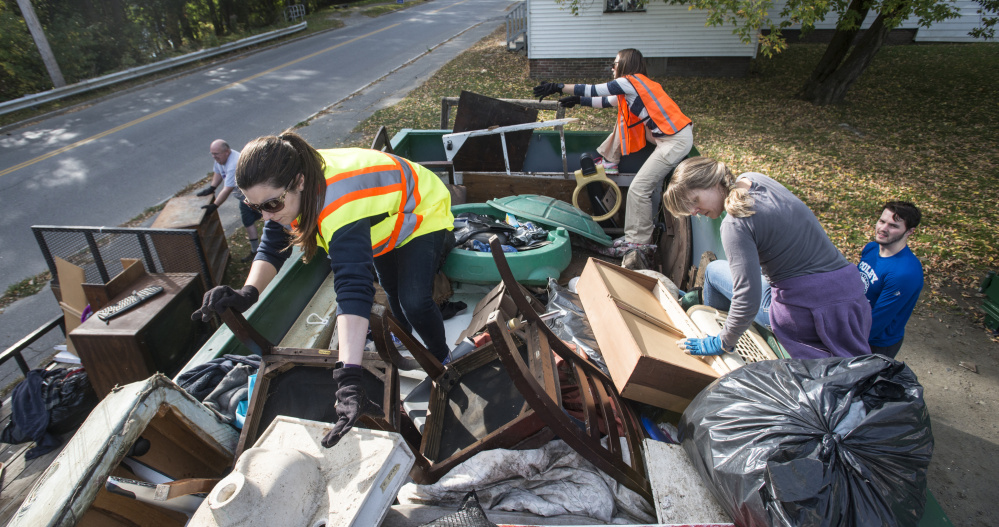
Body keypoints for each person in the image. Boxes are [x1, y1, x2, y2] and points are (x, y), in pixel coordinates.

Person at [191, 132, 454, 448]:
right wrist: (247, 293)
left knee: (413, 299)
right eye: (254, 205)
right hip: (381, 218)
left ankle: (443, 361)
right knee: (391, 288)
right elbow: (274, 243)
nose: (266, 216)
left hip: (420, 210)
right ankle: (406, 337)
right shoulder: (287, 188)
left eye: (272, 204)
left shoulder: (339, 203)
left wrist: (349, 378)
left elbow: (352, 289)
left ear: (299, 182)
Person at [663, 157, 871, 359]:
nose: (694, 211)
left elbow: (747, 299)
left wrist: (721, 343)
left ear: (711, 182)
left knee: (713, 272)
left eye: (694, 201)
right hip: (850, 297)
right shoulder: (755, 179)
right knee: (715, 269)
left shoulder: (734, 224)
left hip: (806, 312)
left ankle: (715, 330)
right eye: (688, 209)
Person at [533, 48, 693, 245]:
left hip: (674, 142)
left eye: (614, 64)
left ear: (625, 64)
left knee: (638, 190)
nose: (612, 68)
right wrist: (578, 101)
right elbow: (605, 101)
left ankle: (638, 242)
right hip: (669, 137)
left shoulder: (629, 82)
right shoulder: (638, 85)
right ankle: (611, 161)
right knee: (624, 121)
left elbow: (594, 89)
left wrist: (558, 86)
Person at [858, 201, 924, 358]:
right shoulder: (872, 248)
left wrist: (840, 339)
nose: (883, 229)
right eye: (882, 221)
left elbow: (877, 323)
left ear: (909, 231)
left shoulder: (904, 273)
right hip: (856, 326)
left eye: (893, 226)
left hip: (875, 345)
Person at [196, 139, 263, 262]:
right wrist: (212, 188)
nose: (214, 156)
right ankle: (256, 251)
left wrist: (215, 206)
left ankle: (294, 235)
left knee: (275, 218)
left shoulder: (234, 164)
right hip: (244, 199)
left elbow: (227, 189)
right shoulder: (221, 159)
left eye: (216, 153)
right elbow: (218, 172)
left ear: (227, 152)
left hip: (256, 197)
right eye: (212, 153)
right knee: (248, 222)